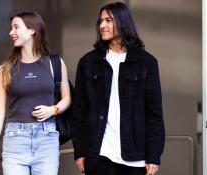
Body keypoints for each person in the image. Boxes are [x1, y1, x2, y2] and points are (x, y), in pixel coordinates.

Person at [72, 2, 165, 175]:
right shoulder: (88, 62)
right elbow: (79, 112)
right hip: (98, 153)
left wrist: (154, 155)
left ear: (123, 22)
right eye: (100, 21)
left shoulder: (146, 63)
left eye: (108, 20)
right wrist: (80, 151)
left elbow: (154, 114)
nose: (102, 26)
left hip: (134, 156)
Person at [0, 11, 71, 175]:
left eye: (16, 27)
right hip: (15, 138)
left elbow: (67, 98)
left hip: (47, 138)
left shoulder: (55, 63)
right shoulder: (4, 69)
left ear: (32, 30)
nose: (11, 32)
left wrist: (52, 110)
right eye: (11, 28)